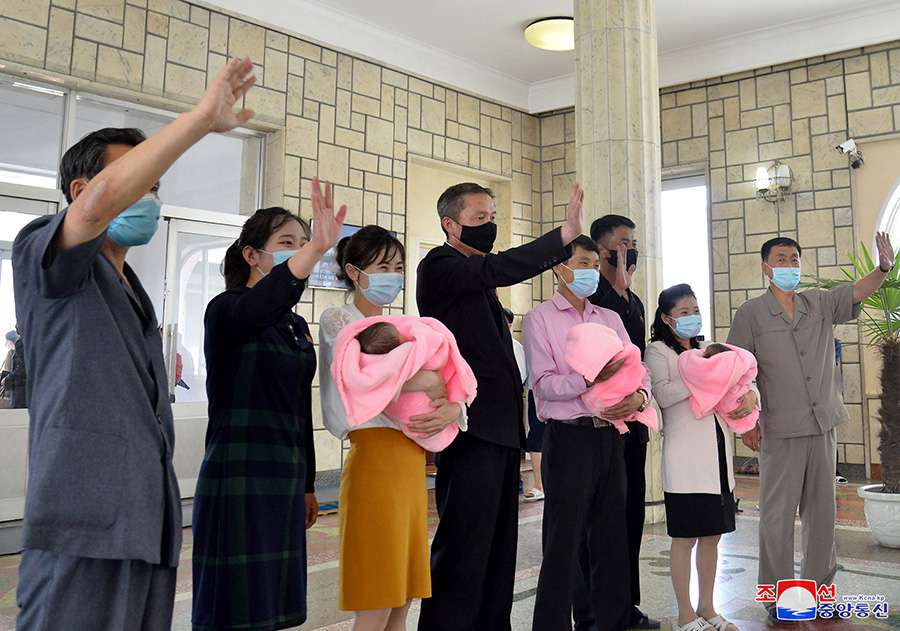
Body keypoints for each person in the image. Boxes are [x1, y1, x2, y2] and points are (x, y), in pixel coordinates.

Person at [12, 56, 257, 631]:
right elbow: (97, 206)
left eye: (155, 186)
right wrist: (198, 121)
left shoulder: (134, 291)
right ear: (80, 191)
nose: (149, 196)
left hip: (146, 520)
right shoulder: (46, 257)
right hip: (83, 517)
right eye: (137, 181)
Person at [416, 181, 584, 630]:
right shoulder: (440, 265)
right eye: (478, 219)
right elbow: (501, 268)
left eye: (492, 218)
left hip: (501, 430)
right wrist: (562, 237)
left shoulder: (476, 275)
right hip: (471, 430)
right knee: (465, 547)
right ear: (450, 225)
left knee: (497, 548)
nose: (489, 226)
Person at [192, 187, 344, 630]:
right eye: (287, 243)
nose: (299, 250)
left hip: (285, 471)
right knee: (235, 604)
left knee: (271, 602)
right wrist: (315, 250)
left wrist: (308, 482)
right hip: (240, 469)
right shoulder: (226, 309)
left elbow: (299, 406)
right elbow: (262, 304)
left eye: (304, 243)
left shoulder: (294, 325)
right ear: (251, 255)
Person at [727, 233, 894, 624]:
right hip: (779, 428)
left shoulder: (818, 302)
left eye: (794, 258)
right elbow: (737, 371)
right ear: (765, 267)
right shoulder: (751, 314)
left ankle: (820, 592)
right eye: (781, 259)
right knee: (777, 516)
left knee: (822, 514)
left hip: (821, 425)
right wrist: (746, 423)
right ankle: (776, 597)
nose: (789, 265)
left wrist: (883, 269)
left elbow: (858, 291)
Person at [319, 225, 467, 631]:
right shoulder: (339, 320)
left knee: (401, 598)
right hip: (374, 458)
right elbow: (363, 380)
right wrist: (425, 380)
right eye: (383, 267)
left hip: (409, 461)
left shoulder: (404, 328)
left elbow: (447, 380)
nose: (394, 276)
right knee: (377, 596)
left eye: (399, 267)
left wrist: (452, 408)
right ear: (354, 271)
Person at [524, 234, 651, 631]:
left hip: (610, 436)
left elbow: (639, 371)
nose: (591, 273)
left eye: (595, 265)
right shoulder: (540, 319)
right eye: (582, 264)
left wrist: (640, 398)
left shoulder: (609, 319)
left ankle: (610, 622)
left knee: (611, 540)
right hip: (569, 438)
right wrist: (590, 377)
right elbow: (544, 385)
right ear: (559, 269)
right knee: (563, 543)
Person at [646, 284, 758, 631]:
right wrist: (703, 376)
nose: (692, 317)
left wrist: (751, 396)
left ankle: (707, 608)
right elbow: (662, 394)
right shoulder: (658, 351)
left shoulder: (707, 349)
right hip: (685, 461)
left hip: (717, 456)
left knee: (712, 536)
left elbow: (740, 381)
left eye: (695, 310)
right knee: (685, 539)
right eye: (683, 312)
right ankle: (685, 615)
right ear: (666, 318)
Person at [582, 214, 658, 630]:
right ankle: (594, 612)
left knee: (630, 519)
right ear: (603, 250)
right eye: (623, 244)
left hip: (635, 426)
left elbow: (638, 360)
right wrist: (617, 289)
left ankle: (626, 605)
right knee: (598, 526)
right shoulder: (592, 297)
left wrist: (642, 398)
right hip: (601, 428)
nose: (631, 251)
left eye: (635, 243)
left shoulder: (633, 300)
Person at [505, 307, 543, 502]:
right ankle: (537, 484)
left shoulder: (516, 347)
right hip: (532, 393)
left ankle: (537, 484)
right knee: (535, 439)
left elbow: (521, 374)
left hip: (519, 397)